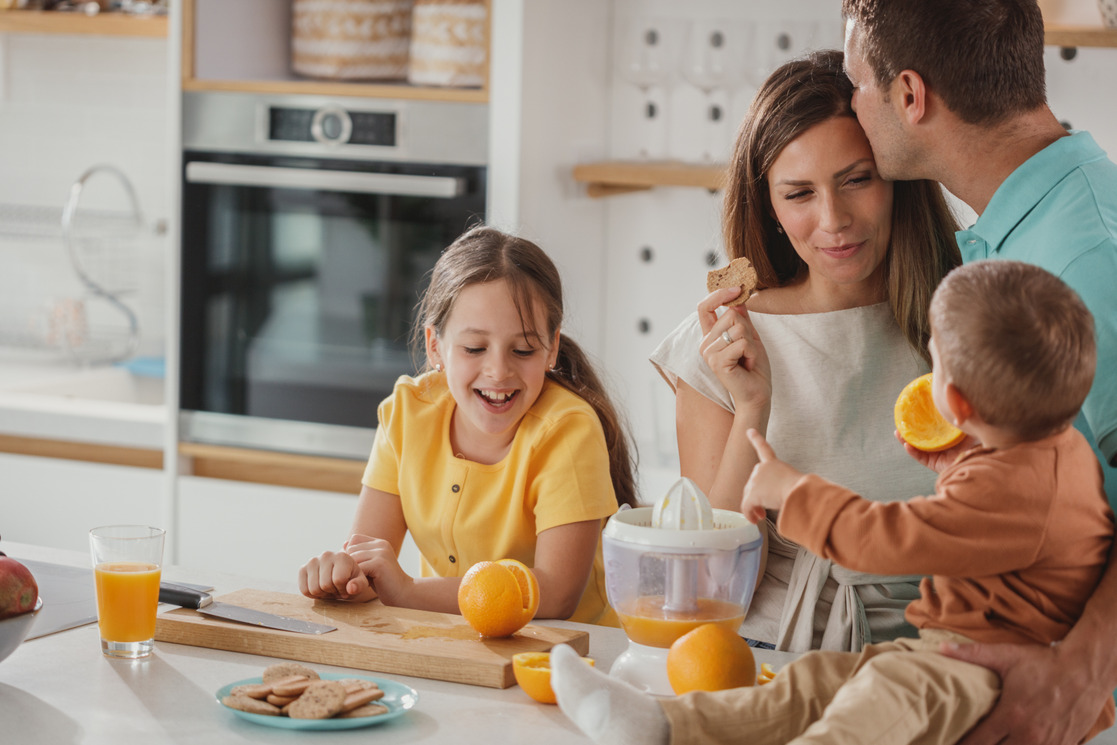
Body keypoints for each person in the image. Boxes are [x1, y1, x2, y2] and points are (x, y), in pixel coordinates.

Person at [551, 259, 1115, 745]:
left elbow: (891, 539)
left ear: (959, 405)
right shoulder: (1053, 452)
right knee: (814, 682)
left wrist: (791, 491)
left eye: (935, 364)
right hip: (953, 654)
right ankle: (660, 724)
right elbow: (1004, 524)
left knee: (869, 710)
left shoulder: (1008, 486)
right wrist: (961, 462)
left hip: (983, 671)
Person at [841, 1, 1117, 742]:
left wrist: (1083, 670)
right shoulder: (1022, 224)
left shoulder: (1087, 257)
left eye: (855, 84)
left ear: (909, 95)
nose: (849, 107)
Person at [649, 49, 961, 652]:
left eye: (857, 179)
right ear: (768, 205)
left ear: (898, 176)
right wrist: (751, 409)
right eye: (799, 195)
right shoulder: (718, 347)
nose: (834, 220)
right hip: (777, 654)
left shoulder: (970, 320)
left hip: (947, 654)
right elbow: (708, 584)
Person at [297, 225, 637, 626]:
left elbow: (557, 595)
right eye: (474, 348)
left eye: (523, 349)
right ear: (435, 346)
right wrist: (345, 576)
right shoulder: (406, 414)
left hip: (567, 657)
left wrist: (407, 591)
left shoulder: (568, 429)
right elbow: (371, 565)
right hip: (456, 644)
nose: (498, 370)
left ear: (552, 348)